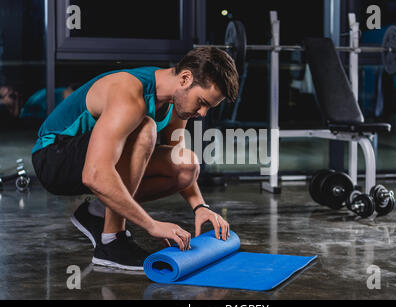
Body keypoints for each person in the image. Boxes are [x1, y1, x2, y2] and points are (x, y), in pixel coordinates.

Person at [31, 47, 240, 271]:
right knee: (145, 129)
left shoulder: (175, 103)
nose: (202, 113)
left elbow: (176, 162)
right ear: (185, 78)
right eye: (202, 102)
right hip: (54, 157)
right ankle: (111, 243)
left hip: (95, 161)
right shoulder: (129, 93)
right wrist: (152, 225)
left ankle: (95, 213)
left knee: (186, 165)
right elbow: (94, 175)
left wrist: (200, 207)